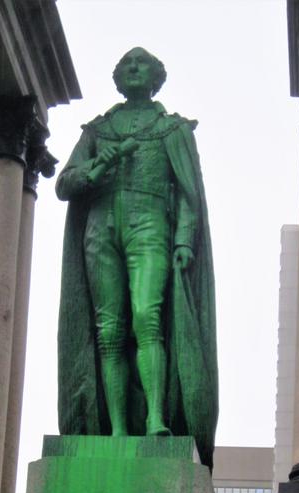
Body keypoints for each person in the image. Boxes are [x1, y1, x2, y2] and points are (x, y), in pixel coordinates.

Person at [56, 47, 218, 468]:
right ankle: (117, 430)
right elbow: (66, 183)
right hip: (100, 225)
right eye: (126, 63)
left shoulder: (172, 129)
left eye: (141, 63)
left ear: (156, 76)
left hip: (151, 225)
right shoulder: (98, 130)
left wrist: (184, 238)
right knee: (109, 328)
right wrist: (94, 171)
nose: (132, 67)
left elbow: (188, 192)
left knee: (148, 317)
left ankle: (156, 419)